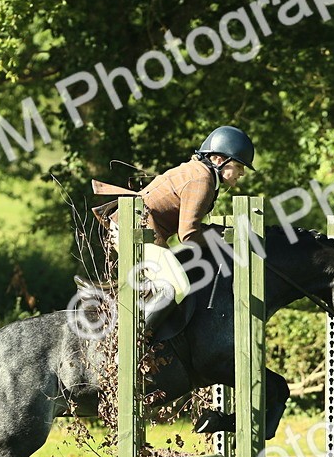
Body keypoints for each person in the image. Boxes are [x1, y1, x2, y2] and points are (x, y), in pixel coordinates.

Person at [91, 125, 255, 329]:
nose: (242, 173)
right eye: (239, 167)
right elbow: (188, 235)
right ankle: (134, 341)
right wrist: (224, 234)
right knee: (177, 287)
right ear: (219, 160)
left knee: (171, 280)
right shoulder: (201, 179)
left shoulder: (200, 173)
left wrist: (218, 232)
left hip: (137, 229)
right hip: (133, 231)